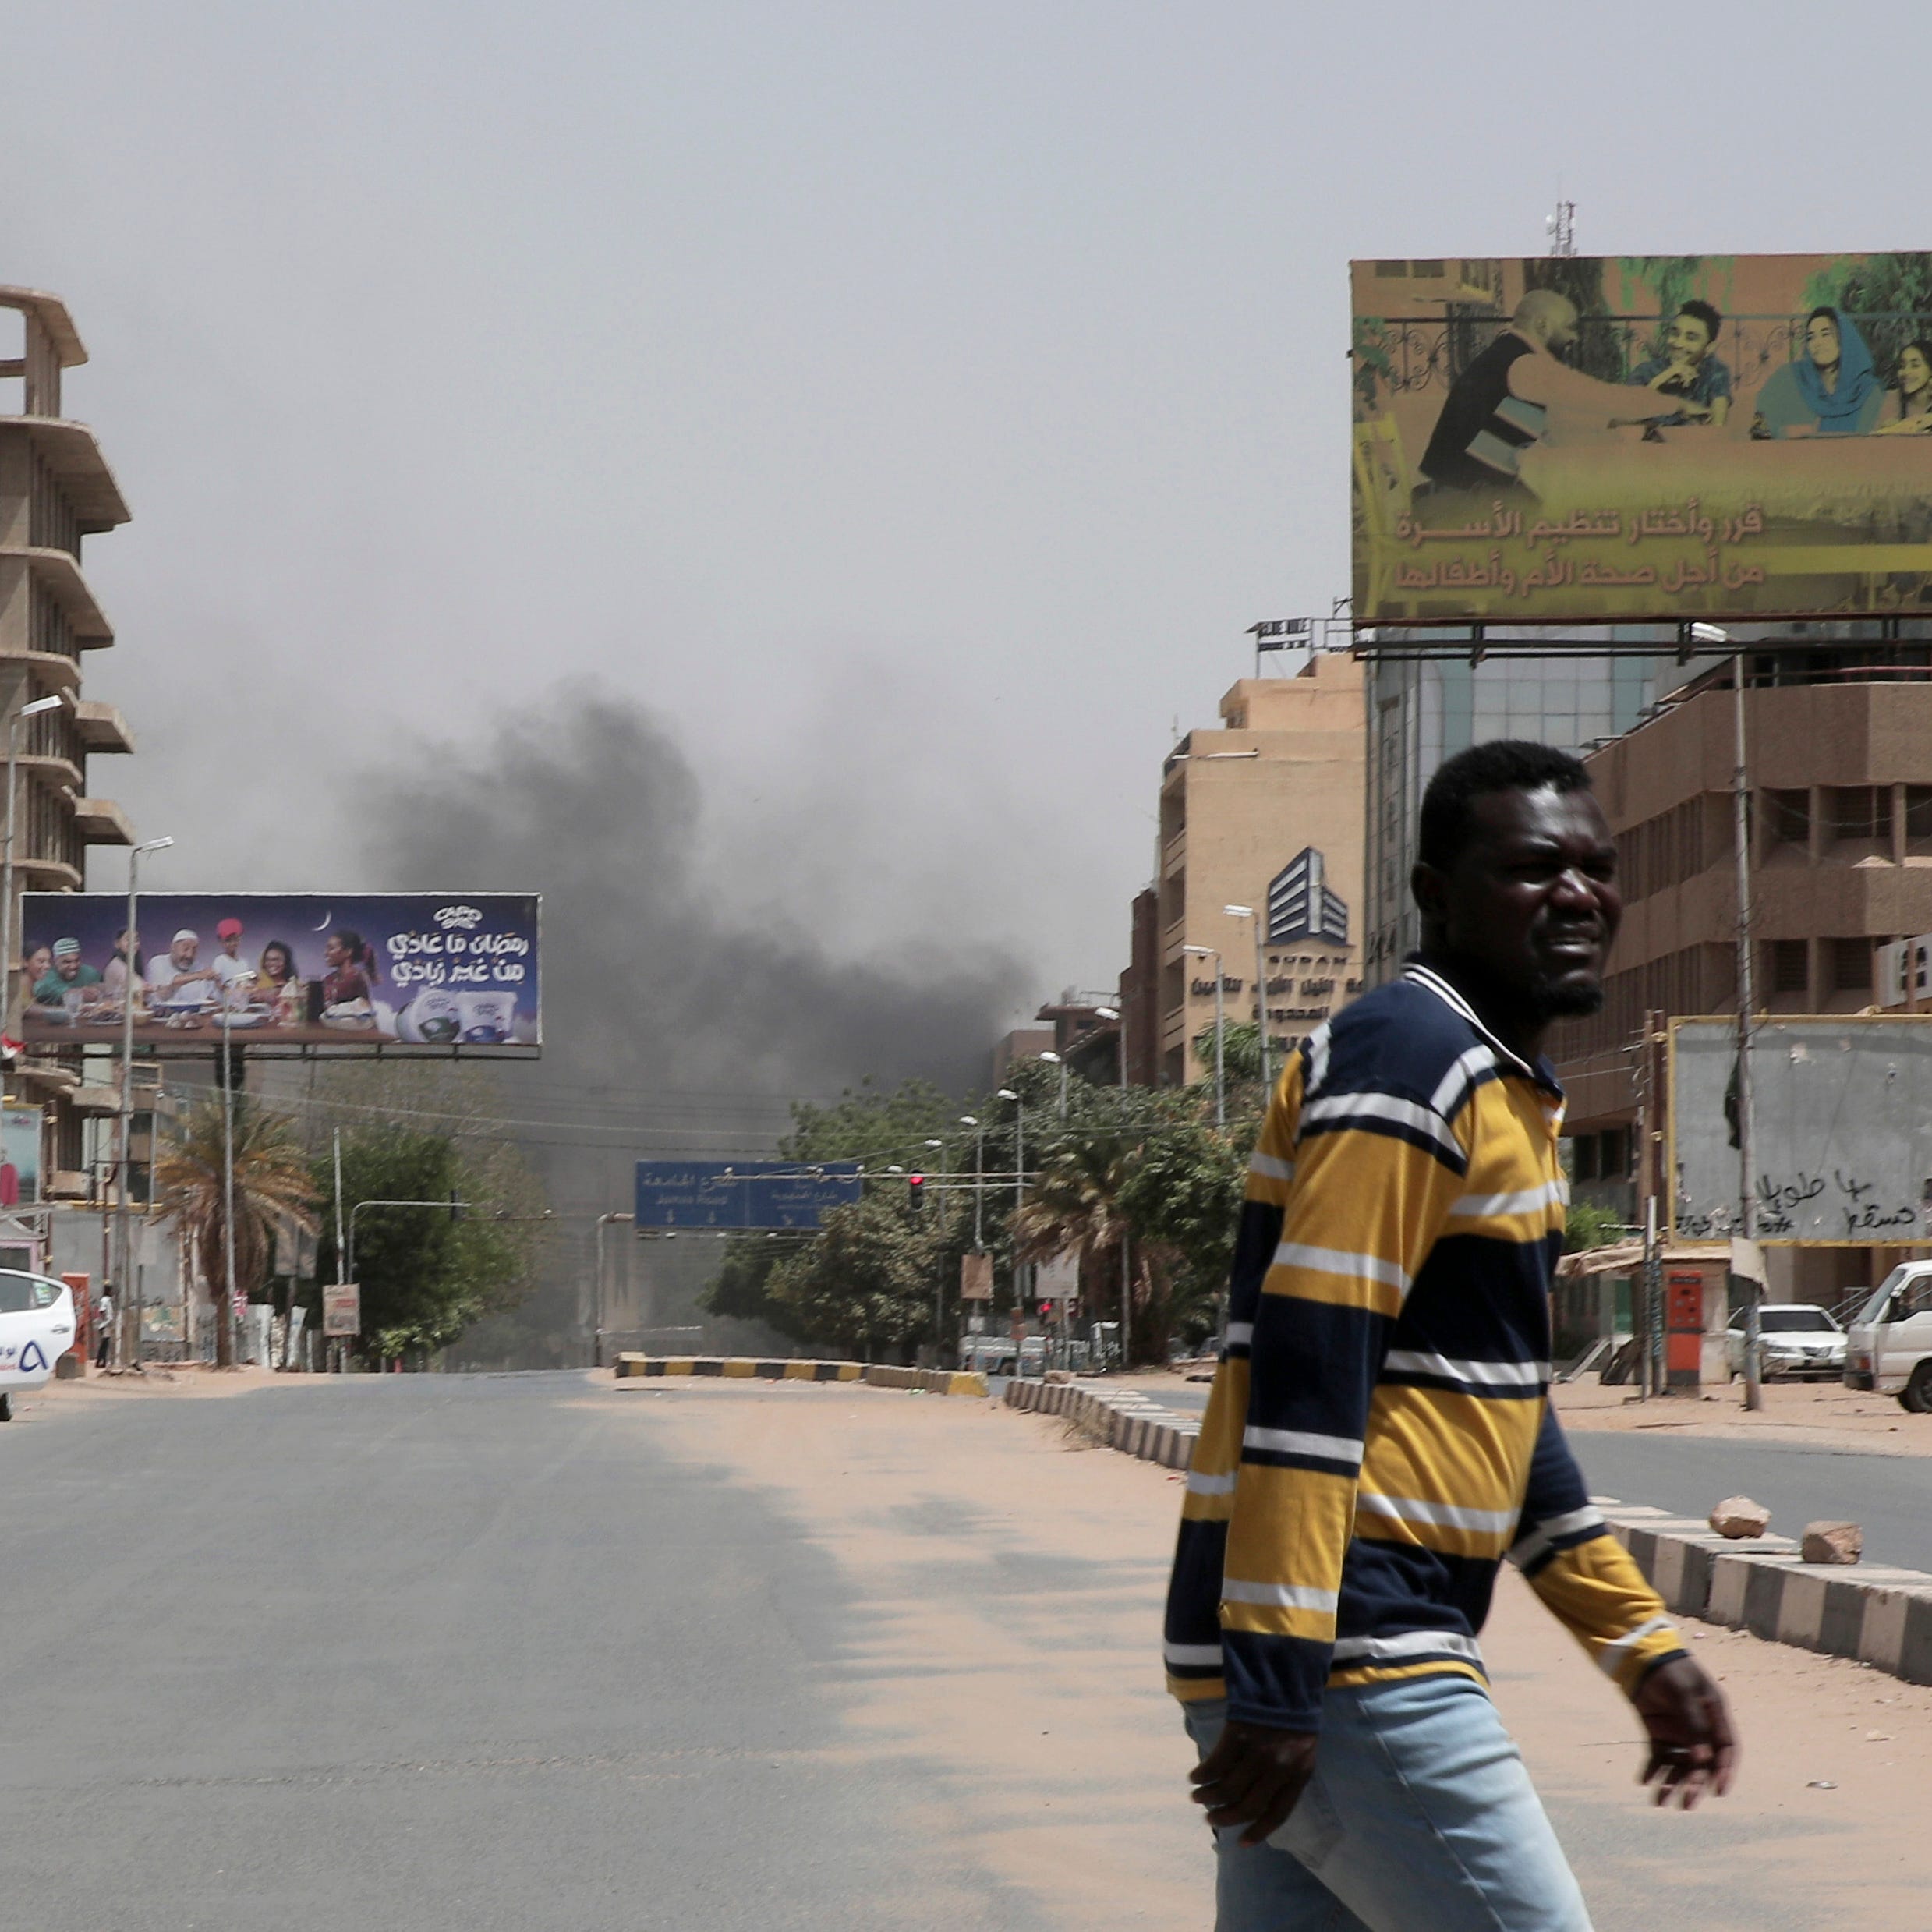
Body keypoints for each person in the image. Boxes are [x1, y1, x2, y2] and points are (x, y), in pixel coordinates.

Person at [1168, 740, 1736, 1931]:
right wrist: (1283, 1677)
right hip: (1351, 1647)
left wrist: (1638, 1645)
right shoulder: (1410, 1058)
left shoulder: (1498, 1088)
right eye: (1534, 869)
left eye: (1595, 867)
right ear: (1434, 893)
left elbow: (1506, 1423)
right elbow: (1310, 1366)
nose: (1577, 896)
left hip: (1325, 1654)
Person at [1417, 289, 1684, 497]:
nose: (1575, 338)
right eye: (1569, 326)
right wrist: (1677, 404)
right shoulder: (1525, 363)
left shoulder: (1508, 353)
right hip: (1465, 498)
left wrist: (1620, 428)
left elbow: (1554, 426)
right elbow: (1602, 396)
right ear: (1543, 325)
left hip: (1462, 487)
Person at [1753, 306, 1884, 437]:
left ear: (1844, 339)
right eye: (1811, 337)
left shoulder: (1866, 391)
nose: (1817, 343)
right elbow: (1760, 430)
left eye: (1825, 334)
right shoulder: (1787, 377)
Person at [1625, 299, 1731, 427]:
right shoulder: (1646, 370)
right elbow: (1622, 420)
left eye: (1691, 338)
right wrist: (1663, 378)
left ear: (1709, 348)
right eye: (1675, 333)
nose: (1678, 343)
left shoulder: (1715, 372)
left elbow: (1718, 427)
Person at [1874, 338, 1932, 436]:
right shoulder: (1891, 398)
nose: (1906, 372)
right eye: (1902, 366)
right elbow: (1873, 439)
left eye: (1915, 366)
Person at [147, 929, 216, 1006]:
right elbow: (167, 987)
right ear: (172, 948)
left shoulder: (198, 966)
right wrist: (198, 976)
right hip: (161, 1014)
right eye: (185, 949)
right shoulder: (158, 962)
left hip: (193, 1015)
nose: (189, 955)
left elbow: (207, 997)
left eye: (194, 951)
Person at [34, 938, 102, 1007]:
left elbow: (103, 991)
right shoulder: (44, 977)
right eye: (67, 962)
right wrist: (81, 993)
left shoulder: (91, 972)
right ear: (55, 961)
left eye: (77, 961)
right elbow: (57, 993)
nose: (73, 966)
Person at [321, 928, 376, 1007]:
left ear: (348, 952)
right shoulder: (331, 978)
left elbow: (331, 994)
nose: (326, 953)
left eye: (331, 948)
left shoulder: (356, 977)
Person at [208, 918, 254, 996]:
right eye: (228, 940)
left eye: (236, 939)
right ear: (221, 941)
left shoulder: (244, 963)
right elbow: (218, 983)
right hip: (224, 1004)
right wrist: (229, 992)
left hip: (240, 1004)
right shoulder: (220, 960)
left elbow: (247, 984)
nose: (232, 943)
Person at [101, 927, 143, 1003]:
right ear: (117, 944)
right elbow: (138, 987)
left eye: (136, 940)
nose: (133, 943)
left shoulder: (129, 965)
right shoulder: (116, 965)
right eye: (128, 939)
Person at [94, 1284, 114, 1371]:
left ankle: (103, 1362)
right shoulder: (105, 1300)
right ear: (108, 1291)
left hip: (107, 1324)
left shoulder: (108, 1300)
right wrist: (104, 1320)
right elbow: (102, 1311)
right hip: (105, 1325)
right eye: (111, 1291)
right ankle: (100, 1362)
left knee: (105, 1344)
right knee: (104, 1344)